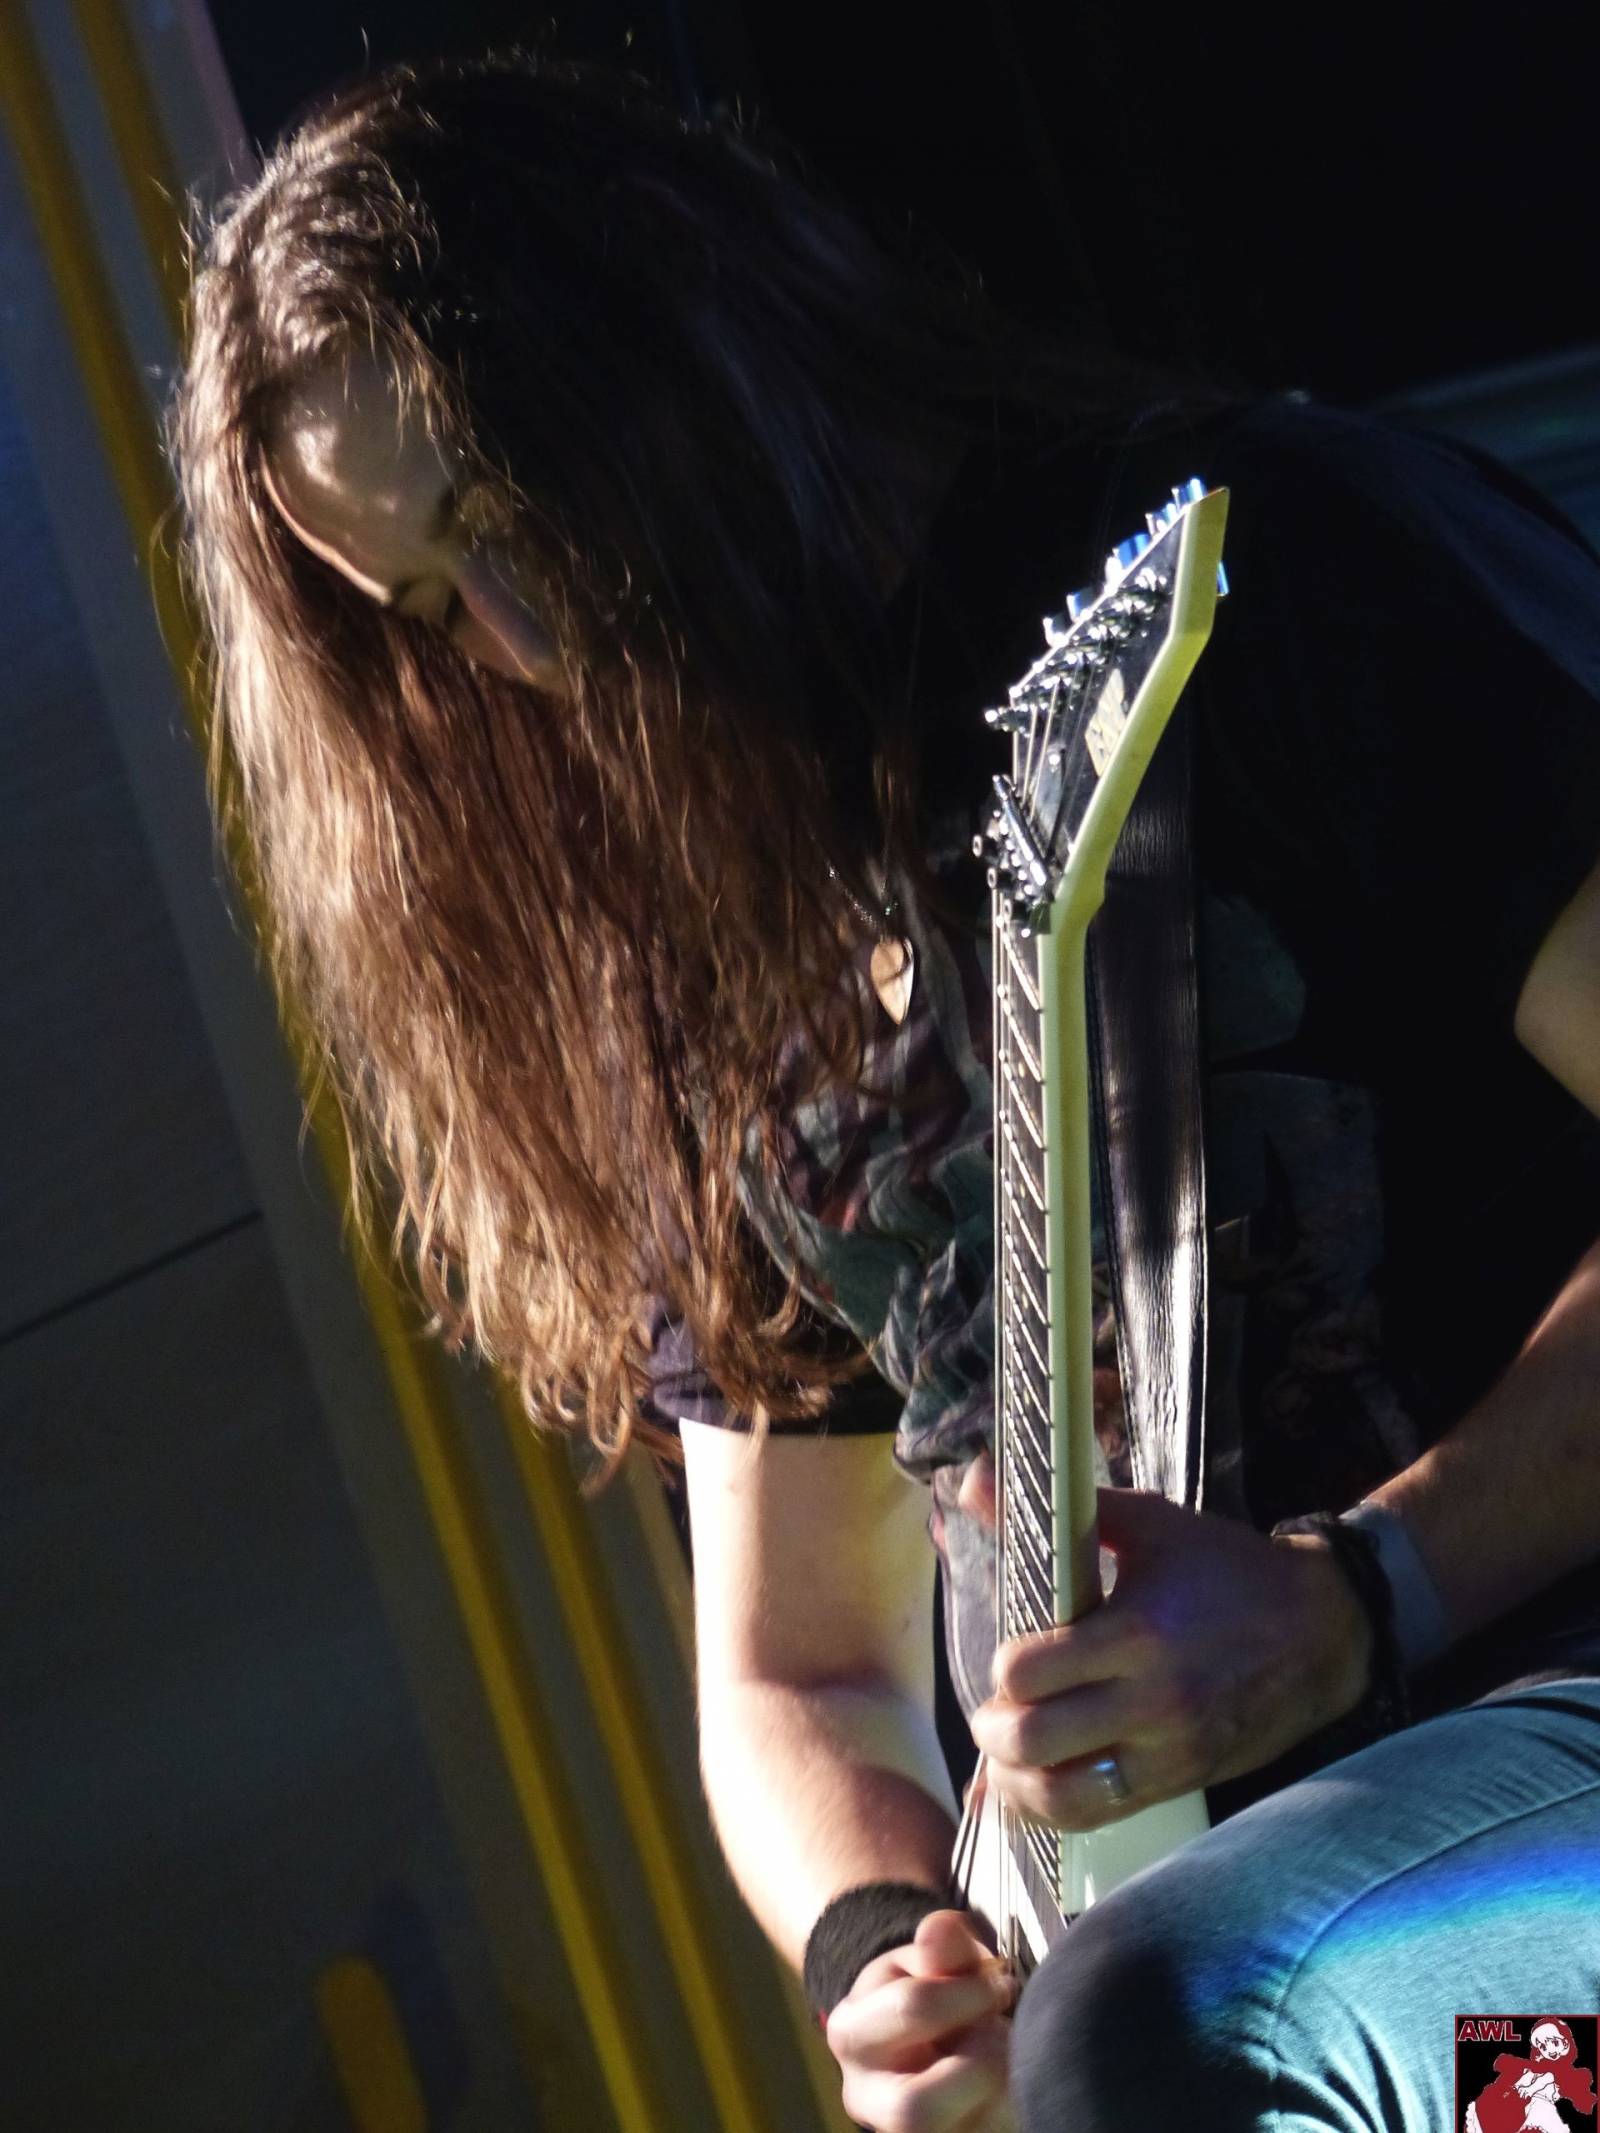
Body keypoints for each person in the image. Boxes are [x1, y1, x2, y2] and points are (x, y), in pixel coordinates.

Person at [168, 44, 1600, 2133]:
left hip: (1547, 1785)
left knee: (1173, 2022)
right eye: (433, 604)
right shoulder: (708, 950)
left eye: (509, 503)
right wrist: (886, 1954)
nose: (526, 634)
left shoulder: (1279, 570)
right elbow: (800, 1665)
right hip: (1376, 2015)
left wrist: (1363, 1591)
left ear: (678, 339)